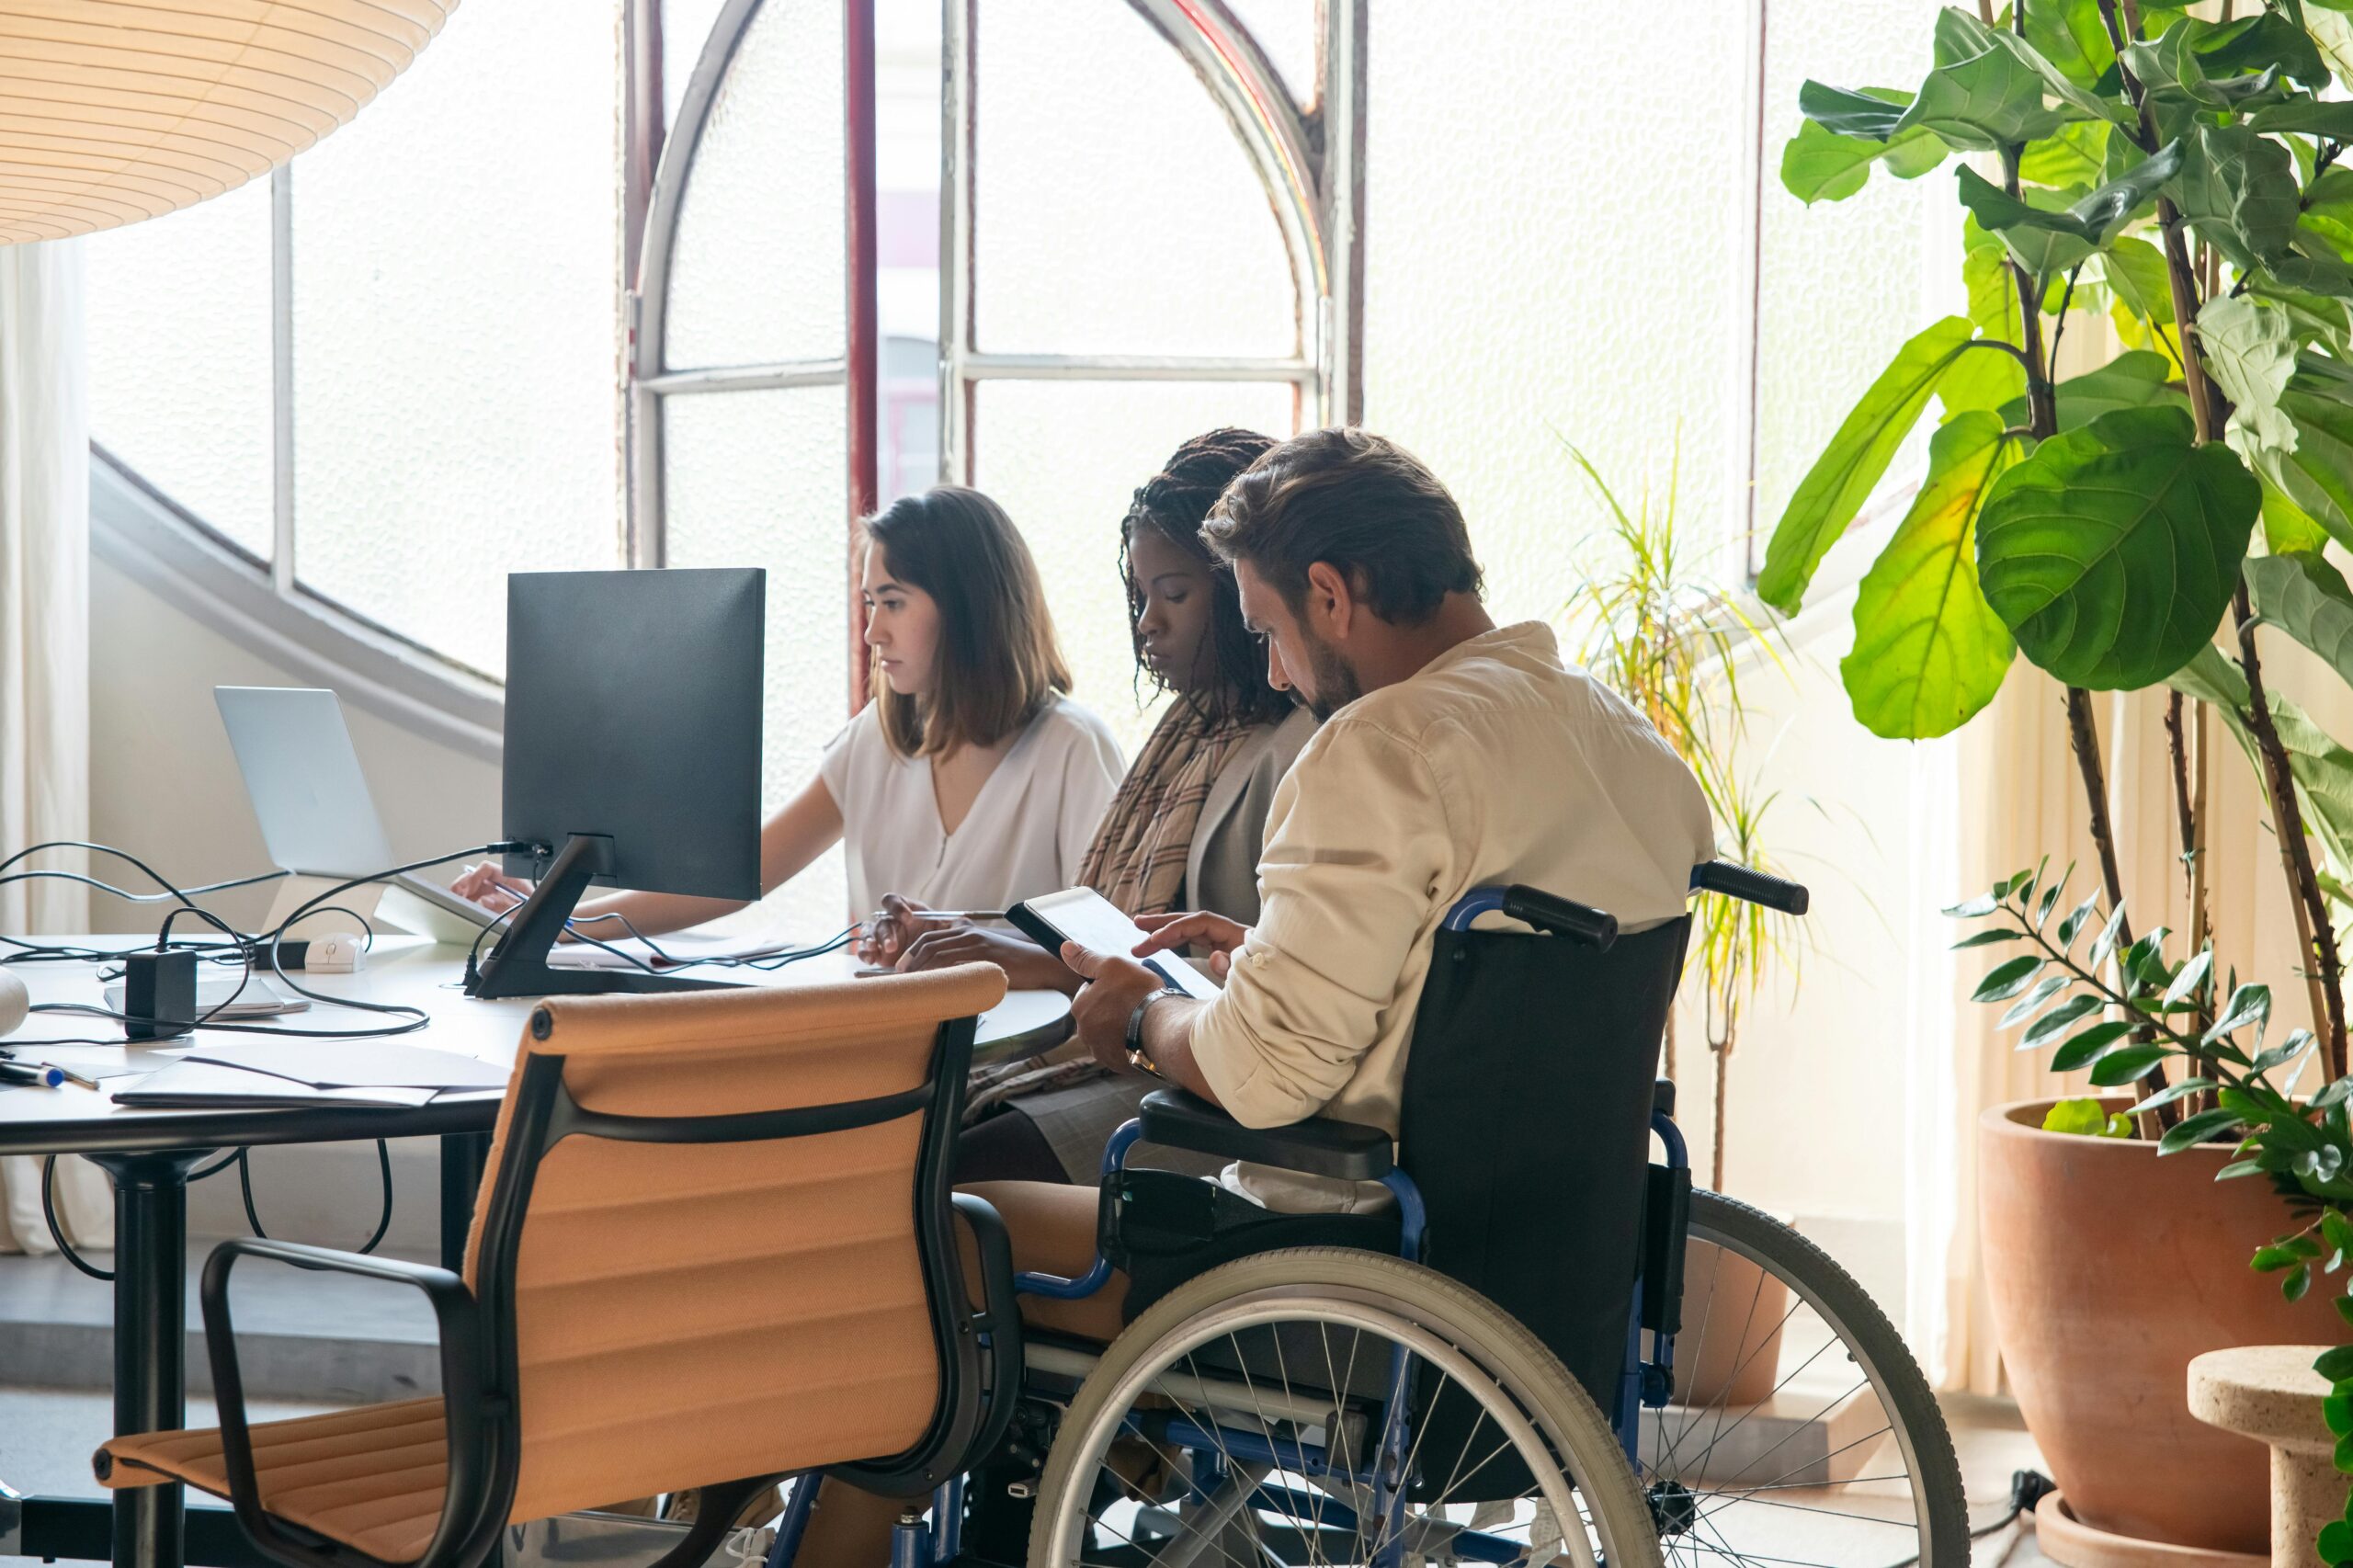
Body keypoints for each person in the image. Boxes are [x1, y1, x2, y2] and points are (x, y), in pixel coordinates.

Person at [1050, 427, 1718, 1210]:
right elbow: (1478, 1007)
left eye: (1267, 630)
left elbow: (1265, 1077)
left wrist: (1142, 1017)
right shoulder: (1627, 738)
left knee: (967, 1228)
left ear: (1330, 596)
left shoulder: (1377, 748)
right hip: (1550, 1240)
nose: (1273, 672)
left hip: (1331, 1255)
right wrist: (1276, 958)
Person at [867, 429, 1317, 1184]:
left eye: (1174, 595)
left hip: (1196, 1086)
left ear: (1247, 583)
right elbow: (1122, 929)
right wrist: (975, 934)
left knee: (937, 1170)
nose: (1148, 623)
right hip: (1151, 1057)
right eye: (1140, 597)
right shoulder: (1192, 730)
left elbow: (1243, 990)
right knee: (902, 1138)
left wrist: (1036, 963)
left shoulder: (1298, 748)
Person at [452, 486, 1125, 937]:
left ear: (970, 607)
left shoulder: (1069, 748)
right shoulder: (879, 742)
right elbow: (738, 878)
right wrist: (554, 920)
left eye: (893, 602)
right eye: (869, 604)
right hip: (888, 1050)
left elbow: (1107, 944)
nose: (873, 633)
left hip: (1004, 1065)